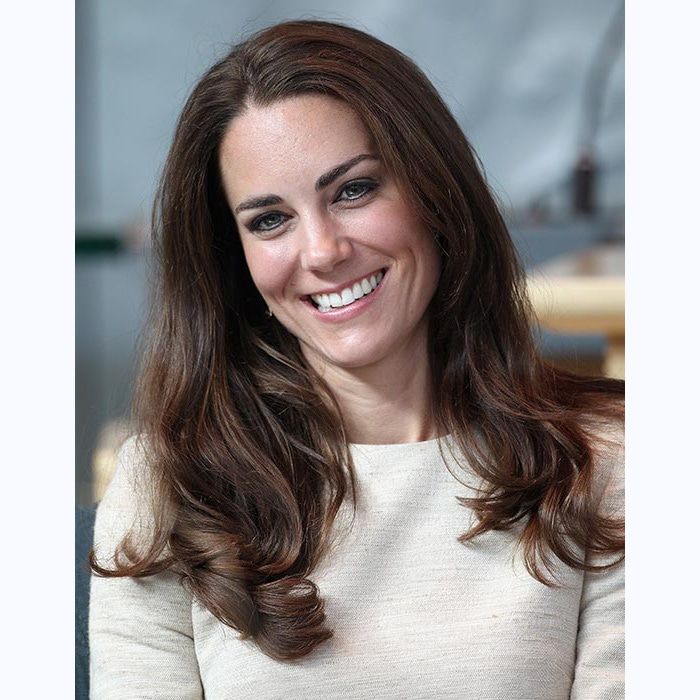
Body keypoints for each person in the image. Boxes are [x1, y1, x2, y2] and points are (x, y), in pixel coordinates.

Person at [89, 19, 624, 699]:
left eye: (353, 190)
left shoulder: (609, 464)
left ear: (435, 195)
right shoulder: (164, 487)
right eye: (269, 220)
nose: (322, 252)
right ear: (236, 261)